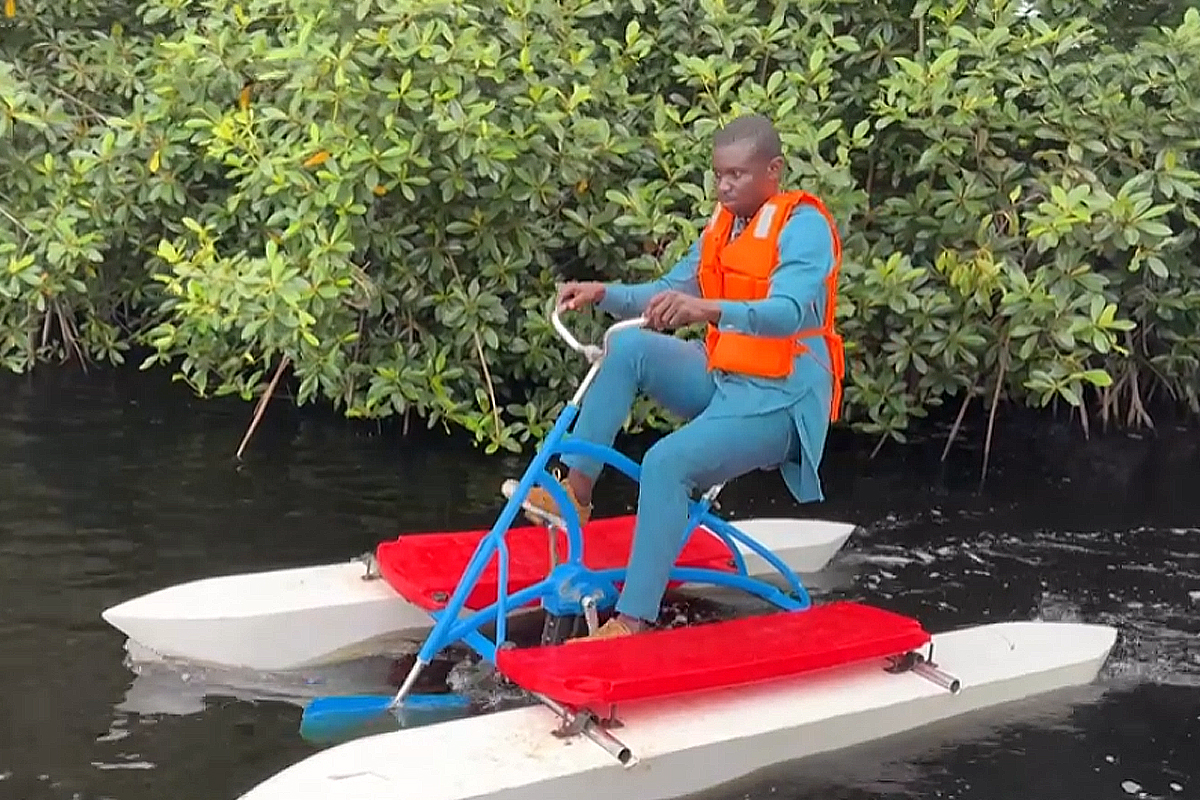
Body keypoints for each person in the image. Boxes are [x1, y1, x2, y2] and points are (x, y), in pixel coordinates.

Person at [523, 113, 845, 641]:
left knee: (665, 462)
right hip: (727, 376)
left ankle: (632, 620)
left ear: (774, 170)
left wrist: (705, 310)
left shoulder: (803, 226)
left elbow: (787, 312)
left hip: (781, 400)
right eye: (719, 175)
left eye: (737, 175)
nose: (724, 186)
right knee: (626, 345)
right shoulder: (724, 225)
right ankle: (576, 493)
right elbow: (669, 289)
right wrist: (603, 293)